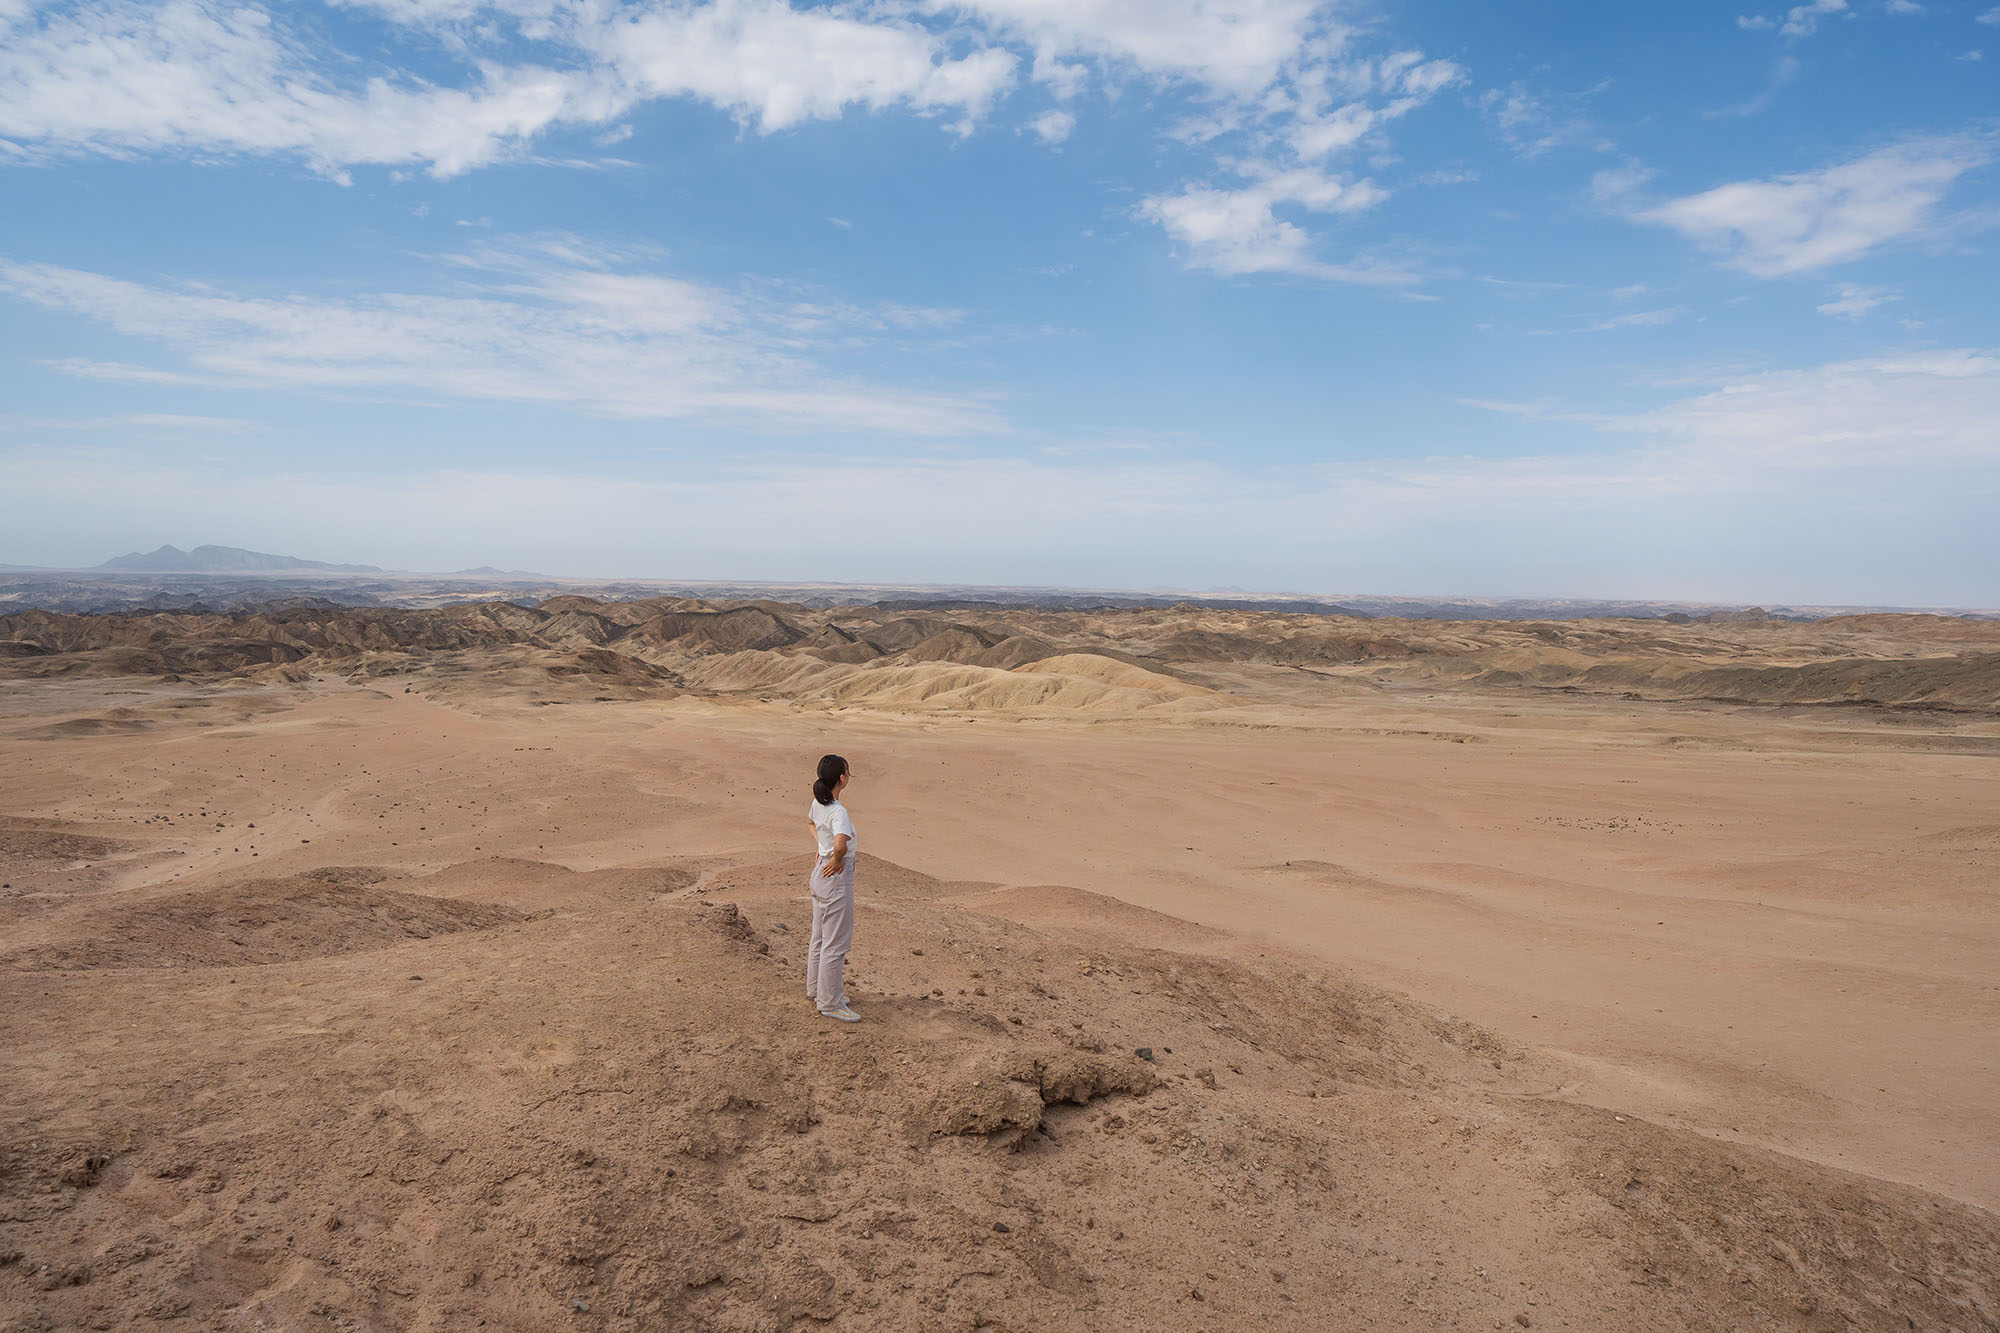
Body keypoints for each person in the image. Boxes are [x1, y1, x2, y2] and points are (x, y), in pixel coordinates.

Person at [805, 753, 861, 1022]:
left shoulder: (819, 802)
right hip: (835, 876)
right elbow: (841, 844)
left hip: (820, 873)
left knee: (819, 937)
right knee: (835, 943)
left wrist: (821, 846)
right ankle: (830, 1003)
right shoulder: (838, 811)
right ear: (841, 778)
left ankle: (817, 990)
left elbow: (810, 823)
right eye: (848, 772)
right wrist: (836, 858)